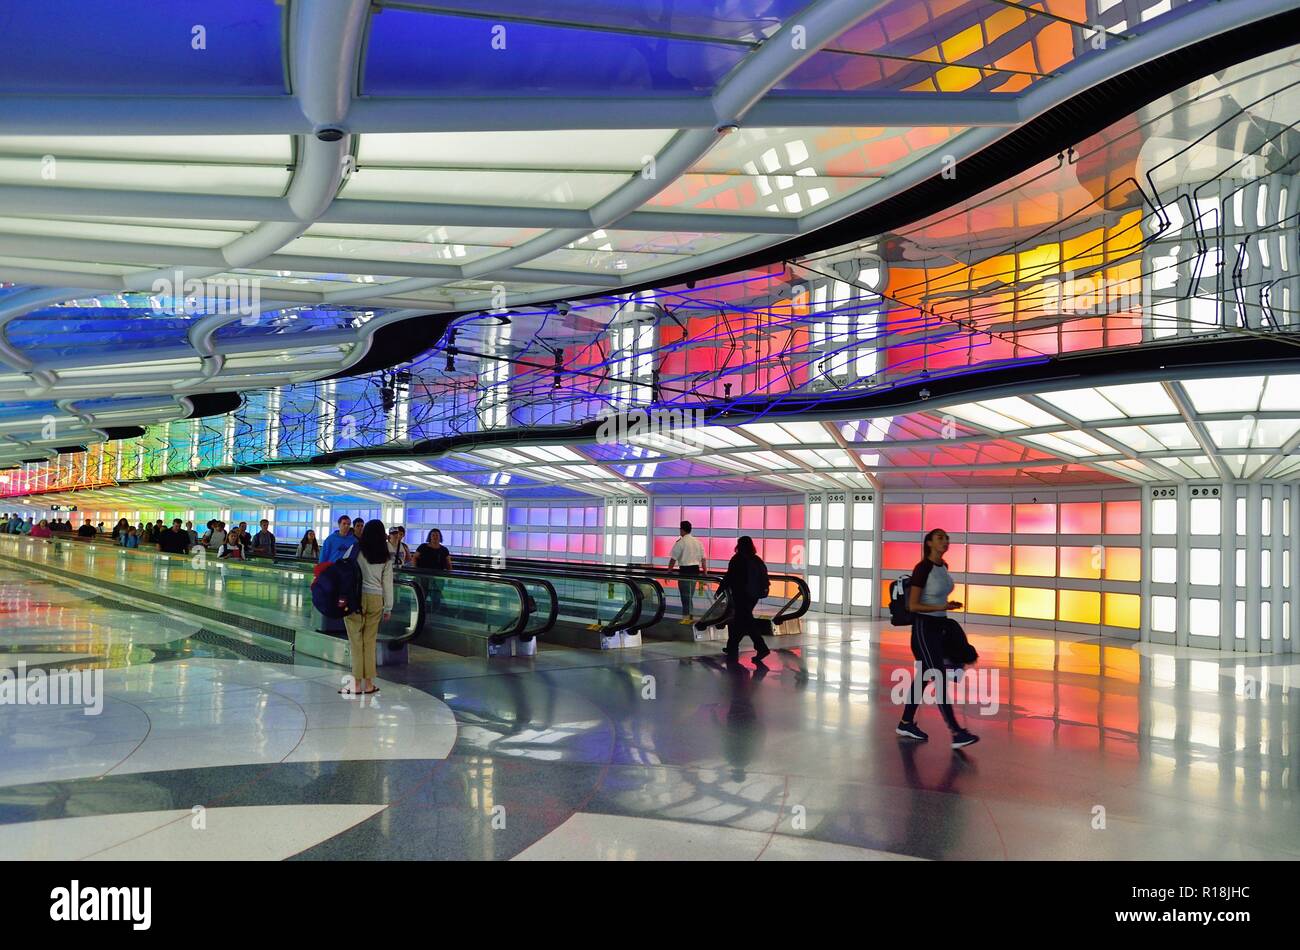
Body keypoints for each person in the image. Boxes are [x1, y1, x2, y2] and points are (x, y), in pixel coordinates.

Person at [896, 528, 979, 749]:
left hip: (939, 627)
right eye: (940, 538)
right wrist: (942, 606)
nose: (945, 541)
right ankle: (956, 732)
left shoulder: (943, 567)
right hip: (924, 628)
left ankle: (905, 723)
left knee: (925, 675)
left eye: (947, 538)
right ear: (929, 543)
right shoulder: (922, 568)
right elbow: (913, 605)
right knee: (938, 675)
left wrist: (945, 607)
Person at [341, 520, 393, 697]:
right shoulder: (385, 555)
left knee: (356, 640)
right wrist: (388, 607)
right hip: (376, 599)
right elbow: (388, 583)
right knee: (369, 641)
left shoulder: (355, 549)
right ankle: (369, 684)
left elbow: (343, 567)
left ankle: (355, 684)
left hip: (356, 598)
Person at [720, 535, 771, 663]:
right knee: (740, 620)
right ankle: (732, 646)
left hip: (741, 594)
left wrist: (721, 588)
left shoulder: (737, 559)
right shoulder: (756, 559)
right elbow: (764, 576)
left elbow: (730, 575)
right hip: (754, 595)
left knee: (746, 621)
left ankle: (761, 647)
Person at [667, 519, 707, 623]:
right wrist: (705, 572)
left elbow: (673, 558)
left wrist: (669, 572)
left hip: (684, 572)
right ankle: (689, 618)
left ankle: (687, 619)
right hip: (695, 572)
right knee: (689, 596)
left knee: (685, 598)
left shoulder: (681, 542)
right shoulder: (698, 542)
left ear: (682, 530)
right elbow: (703, 559)